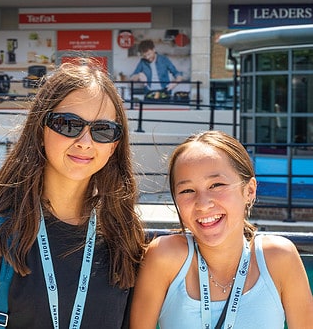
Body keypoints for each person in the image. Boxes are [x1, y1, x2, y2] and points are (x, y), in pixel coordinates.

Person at [0, 58, 147, 328]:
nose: (85, 142)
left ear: (114, 145)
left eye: (103, 130)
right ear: (40, 129)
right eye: (68, 124)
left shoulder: (125, 240)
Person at [130, 130, 313, 328]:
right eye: (187, 190)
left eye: (216, 185)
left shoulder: (279, 257)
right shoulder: (165, 256)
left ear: (249, 191)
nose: (203, 203)